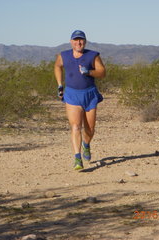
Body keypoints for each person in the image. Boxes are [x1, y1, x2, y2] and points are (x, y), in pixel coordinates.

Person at [54, 30, 106, 170]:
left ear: (85, 41)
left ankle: (86, 145)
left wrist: (88, 72)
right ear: (71, 42)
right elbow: (57, 66)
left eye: (81, 40)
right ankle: (77, 158)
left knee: (90, 129)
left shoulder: (92, 55)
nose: (78, 42)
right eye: (76, 40)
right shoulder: (63, 56)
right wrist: (60, 85)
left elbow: (102, 72)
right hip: (72, 95)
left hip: (89, 95)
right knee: (76, 126)